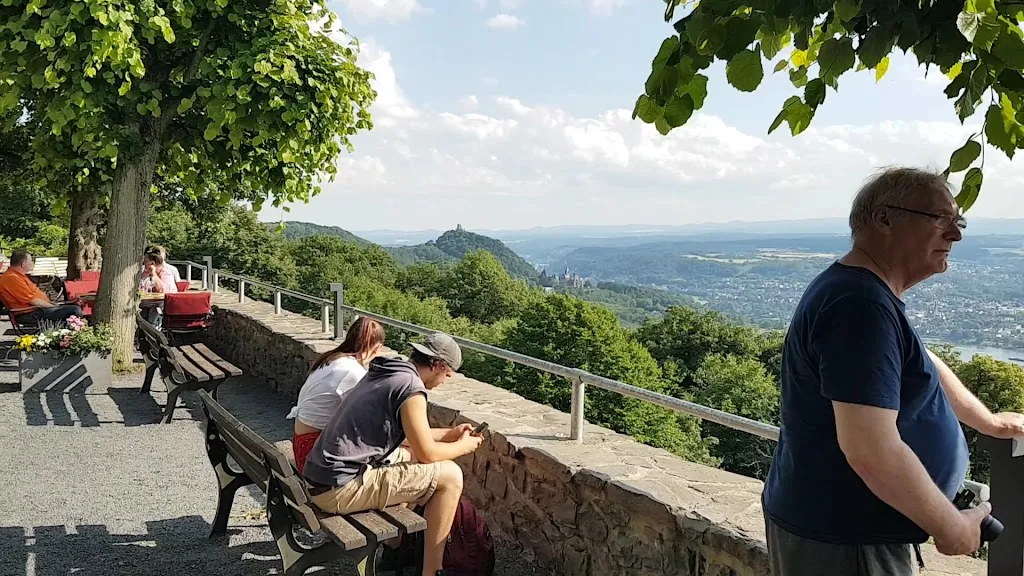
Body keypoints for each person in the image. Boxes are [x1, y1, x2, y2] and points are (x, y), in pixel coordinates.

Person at [762, 167, 1024, 575]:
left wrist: (986, 420)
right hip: (848, 543)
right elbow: (871, 450)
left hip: (843, 533)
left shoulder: (863, 294)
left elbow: (919, 360)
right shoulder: (860, 306)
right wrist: (950, 525)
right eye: (941, 220)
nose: (955, 235)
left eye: (959, 222)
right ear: (884, 219)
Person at [303, 332, 483, 576]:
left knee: (411, 458)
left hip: (321, 478)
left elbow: (407, 435)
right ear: (439, 365)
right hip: (338, 490)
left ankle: (396, 547)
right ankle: (432, 572)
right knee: (451, 475)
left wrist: (449, 434)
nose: (446, 379)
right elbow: (428, 453)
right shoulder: (411, 388)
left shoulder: (389, 372)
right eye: (448, 373)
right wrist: (465, 446)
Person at [287, 316, 386, 474]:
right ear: (376, 348)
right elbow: (369, 422)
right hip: (315, 457)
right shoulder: (353, 372)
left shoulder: (331, 359)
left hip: (303, 445)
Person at [0, 250, 83, 322]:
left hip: (36, 310)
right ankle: (70, 336)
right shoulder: (12, 278)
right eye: (31, 261)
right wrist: (55, 306)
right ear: (23, 264)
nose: (33, 263)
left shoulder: (17, 276)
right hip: (30, 313)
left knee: (75, 306)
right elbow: (33, 301)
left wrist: (53, 304)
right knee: (75, 310)